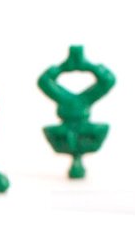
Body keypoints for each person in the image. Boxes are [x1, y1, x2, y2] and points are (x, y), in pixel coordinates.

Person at [37, 45, 116, 178]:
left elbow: (44, 81)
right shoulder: (92, 137)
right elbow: (108, 81)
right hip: (79, 107)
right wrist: (88, 66)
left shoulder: (61, 138)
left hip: (73, 109)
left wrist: (62, 67)